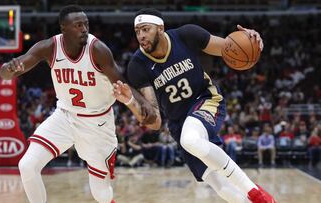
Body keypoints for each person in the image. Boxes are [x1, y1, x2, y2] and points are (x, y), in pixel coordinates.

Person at [113, 8, 276, 203]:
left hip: (205, 99)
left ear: (160, 28)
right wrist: (130, 101)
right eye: (137, 31)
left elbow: (231, 47)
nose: (141, 36)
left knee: (190, 139)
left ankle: (255, 193)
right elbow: (155, 121)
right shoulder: (137, 65)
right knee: (217, 183)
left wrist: (252, 40)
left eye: (146, 29)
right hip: (177, 122)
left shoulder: (187, 35)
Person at [0, 5, 156, 203]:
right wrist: (9, 68)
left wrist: (143, 103)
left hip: (97, 123)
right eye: (78, 25)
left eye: (86, 24)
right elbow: (10, 71)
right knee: (27, 165)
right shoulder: (49, 47)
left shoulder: (98, 50)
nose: (84, 29)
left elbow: (121, 81)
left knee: (100, 193)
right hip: (64, 116)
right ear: (63, 28)